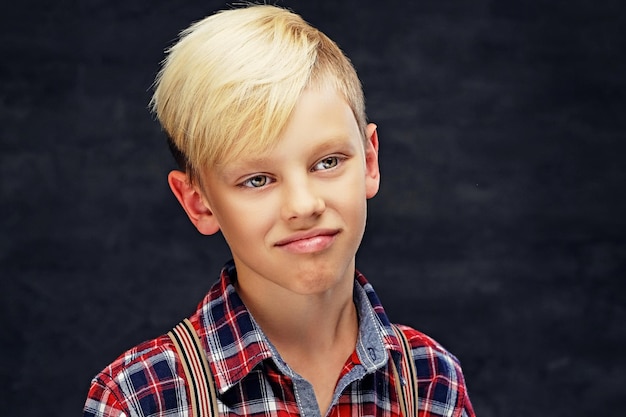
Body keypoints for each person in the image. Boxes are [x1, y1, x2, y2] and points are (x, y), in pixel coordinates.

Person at [83, 4, 475, 417]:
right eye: (257, 180)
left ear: (370, 162)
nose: (304, 205)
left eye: (328, 162)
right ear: (198, 203)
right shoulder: (141, 398)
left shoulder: (431, 379)